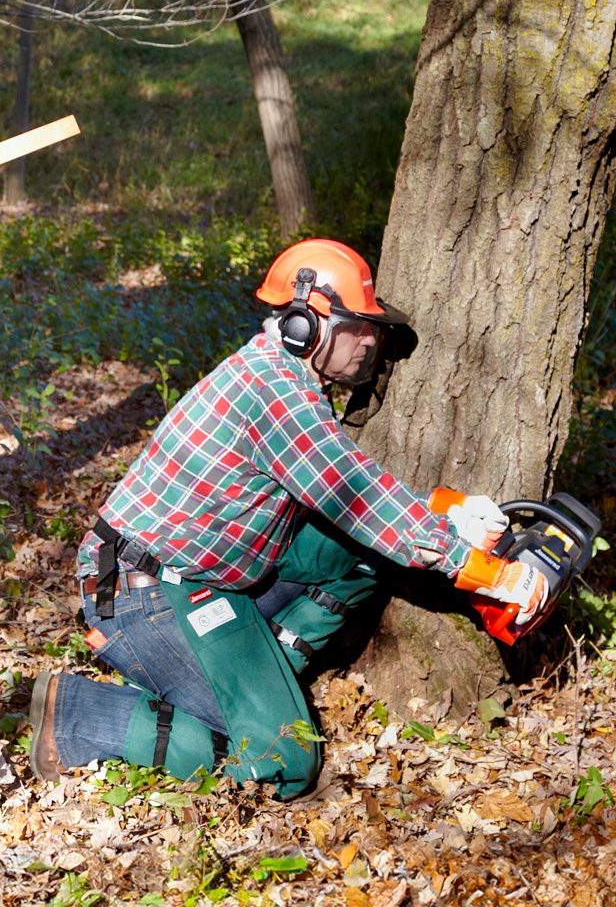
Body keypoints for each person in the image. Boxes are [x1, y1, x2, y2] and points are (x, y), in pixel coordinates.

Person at [27, 238, 548, 799]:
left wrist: (446, 513)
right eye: (357, 326)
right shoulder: (274, 393)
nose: (369, 340)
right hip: (147, 591)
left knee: (363, 555)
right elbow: (360, 498)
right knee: (284, 762)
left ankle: (259, 673)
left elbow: (354, 499)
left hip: (220, 566)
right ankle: (81, 714)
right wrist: (488, 573)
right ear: (306, 322)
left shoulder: (288, 382)